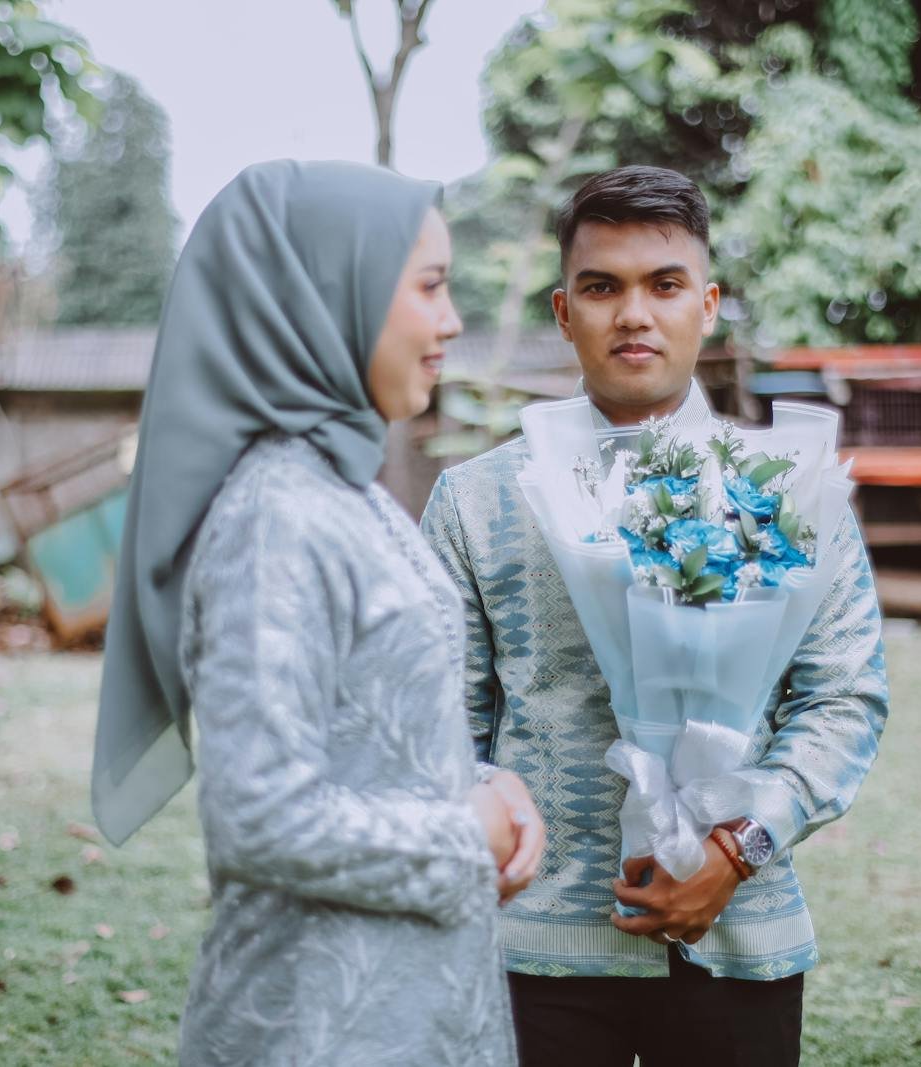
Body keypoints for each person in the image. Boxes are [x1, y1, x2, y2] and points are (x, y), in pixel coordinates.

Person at [420, 164, 889, 1066]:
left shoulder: (787, 490)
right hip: (534, 949)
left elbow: (845, 698)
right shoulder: (477, 501)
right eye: (602, 287)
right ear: (564, 311)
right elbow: (440, 722)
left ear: (707, 303)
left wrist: (740, 846)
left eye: (664, 285)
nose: (633, 313)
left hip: (738, 935)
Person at [91, 159, 544, 1066]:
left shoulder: (344, 488)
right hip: (317, 1027)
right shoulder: (275, 517)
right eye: (430, 286)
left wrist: (482, 784)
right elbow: (258, 815)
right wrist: (465, 835)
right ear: (332, 295)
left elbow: (375, 733)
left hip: (410, 1006)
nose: (452, 320)